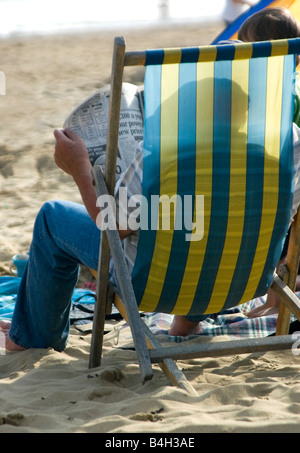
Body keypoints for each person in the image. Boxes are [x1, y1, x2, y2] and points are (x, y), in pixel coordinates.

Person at [170, 7, 300, 335]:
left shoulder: (229, 107)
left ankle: (184, 326)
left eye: (244, 49)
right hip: (257, 260)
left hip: (202, 253)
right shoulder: (289, 118)